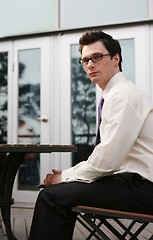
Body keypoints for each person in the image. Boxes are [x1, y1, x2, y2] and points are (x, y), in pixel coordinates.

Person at [28, 30, 153, 240]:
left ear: (116, 59)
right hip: (130, 182)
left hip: (144, 188)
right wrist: (69, 176)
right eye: (85, 60)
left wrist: (64, 177)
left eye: (97, 57)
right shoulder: (114, 95)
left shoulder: (124, 96)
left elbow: (107, 161)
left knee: (51, 197)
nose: (90, 65)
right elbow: (107, 160)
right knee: (59, 192)